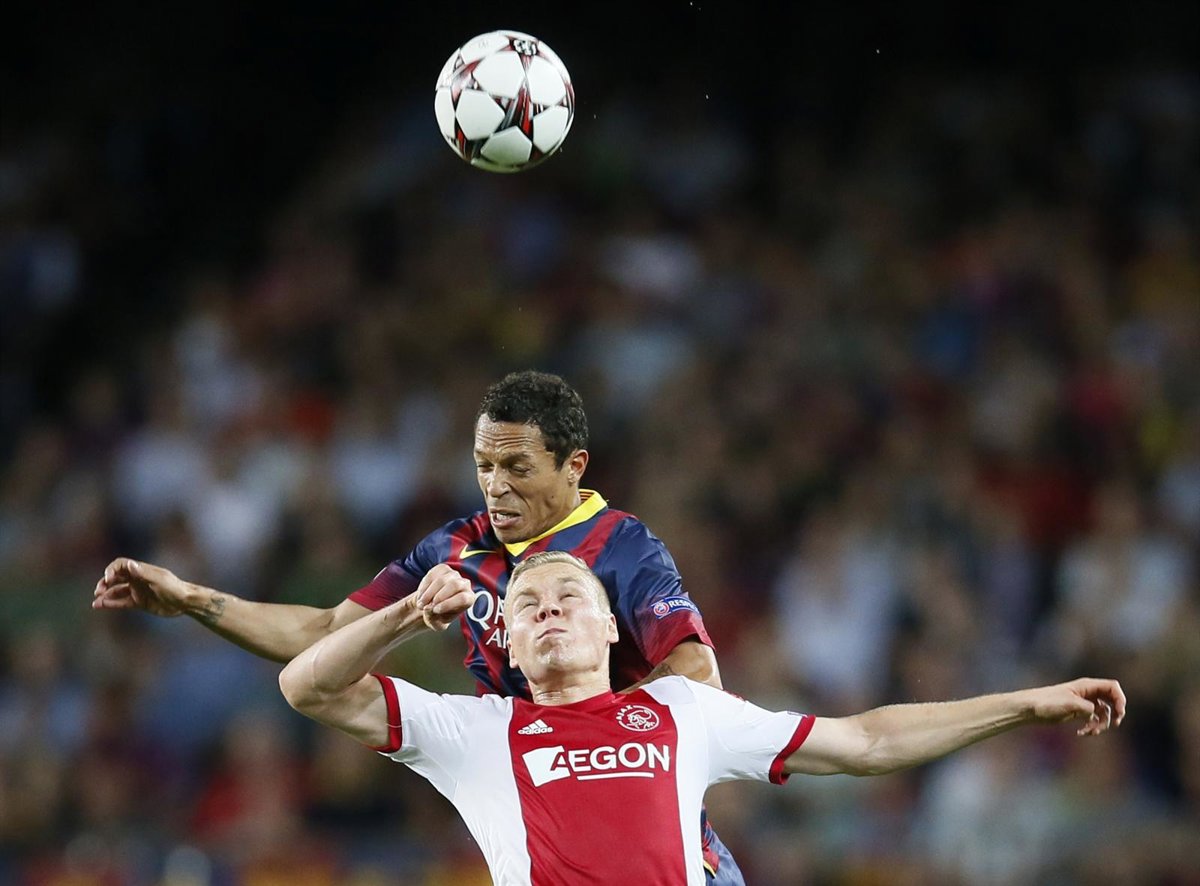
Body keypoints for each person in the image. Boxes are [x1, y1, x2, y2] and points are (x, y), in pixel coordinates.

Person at [94, 370, 739, 881]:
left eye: (517, 468)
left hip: (659, 847)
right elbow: (324, 633)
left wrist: (589, 745)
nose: (496, 486)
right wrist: (192, 599)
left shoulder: (623, 548)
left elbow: (695, 671)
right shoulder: (456, 547)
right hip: (544, 835)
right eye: (484, 466)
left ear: (573, 466)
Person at [279, 551, 1127, 885]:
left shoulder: (680, 708)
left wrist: (1024, 703)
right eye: (527, 604)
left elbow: (867, 740)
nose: (548, 608)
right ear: (509, 640)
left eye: (569, 594)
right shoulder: (476, 732)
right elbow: (306, 687)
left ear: (611, 628)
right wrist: (401, 617)